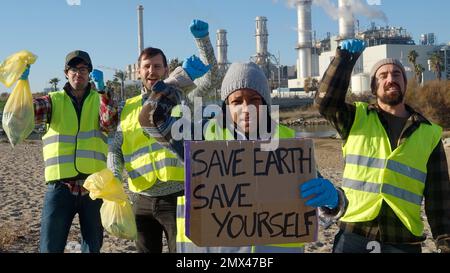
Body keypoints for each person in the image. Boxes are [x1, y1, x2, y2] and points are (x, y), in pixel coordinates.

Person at [139, 61, 343, 253]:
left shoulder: (290, 143)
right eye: (237, 101)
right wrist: (178, 81)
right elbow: (151, 119)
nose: (246, 109)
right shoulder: (202, 137)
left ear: (265, 103)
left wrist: (334, 202)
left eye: (254, 100)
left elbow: (322, 212)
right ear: (226, 106)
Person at [315, 39, 450, 253]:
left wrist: (444, 243)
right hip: (353, 232)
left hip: (403, 239)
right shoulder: (356, 118)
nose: (390, 79)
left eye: (396, 74)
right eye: (383, 75)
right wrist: (343, 61)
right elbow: (325, 102)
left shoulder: (430, 132)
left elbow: (440, 199)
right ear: (374, 86)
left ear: (405, 83)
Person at [107, 43, 210, 252]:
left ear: (165, 70)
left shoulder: (182, 101)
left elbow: (210, 80)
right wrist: (115, 174)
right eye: (146, 66)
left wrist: (204, 42)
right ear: (138, 72)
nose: (151, 71)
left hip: (178, 196)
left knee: (183, 253)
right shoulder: (127, 108)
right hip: (141, 199)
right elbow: (115, 148)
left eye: (157, 66)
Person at [18, 50, 118, 252]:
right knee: (50, 247)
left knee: (92, 247)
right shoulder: (52, 100)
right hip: (59, 187)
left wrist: (103, 92)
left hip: (94, 187)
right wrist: (22, 87)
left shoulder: (101, 99)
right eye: (73, 69)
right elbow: (25, 114)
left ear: (89, 72)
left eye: (82, 69)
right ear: (66, 73)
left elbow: (110, 124)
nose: (77, 74)